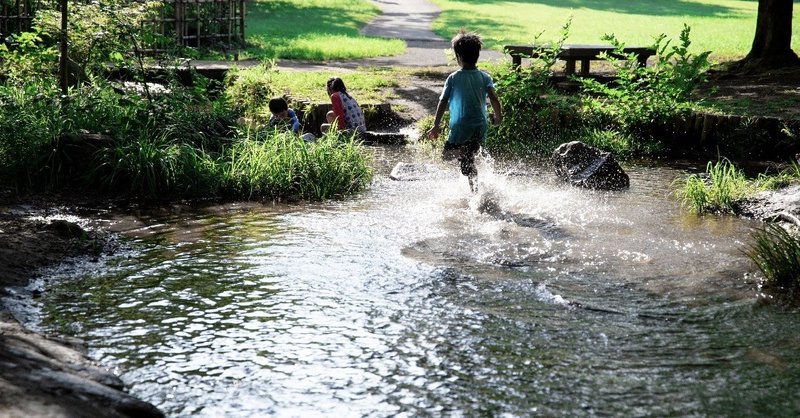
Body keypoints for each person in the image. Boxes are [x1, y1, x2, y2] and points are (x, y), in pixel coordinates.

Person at [427, 30, 503, 193]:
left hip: (460, 127)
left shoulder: (453, 78)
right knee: (470, 158)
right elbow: (494, 99)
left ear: (458, 57)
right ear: (477, 55)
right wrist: (498, 117)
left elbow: (443, 102)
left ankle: (465, 157)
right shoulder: (484, 77)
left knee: (446, 156)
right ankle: (474, 191)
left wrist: (436, 125)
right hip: (479, 126)